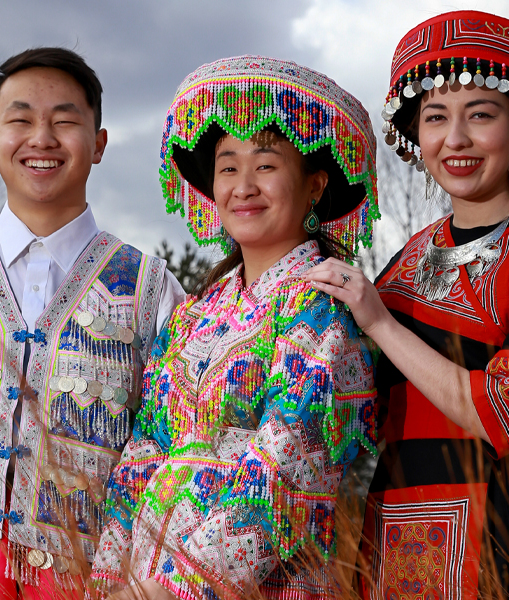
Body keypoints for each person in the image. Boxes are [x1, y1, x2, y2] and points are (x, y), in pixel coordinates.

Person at [304, 11, 509, 599]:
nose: (456, 140)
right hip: (401, 537)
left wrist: (378, 322)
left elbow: (504, 413)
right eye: (436, 117)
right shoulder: (404, 263)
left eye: (480, 114)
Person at [0, 47, 185, 599]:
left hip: (92, 574)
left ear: (98, 144)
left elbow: (169, 443)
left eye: (65, 121)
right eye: (20, 120)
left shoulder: (149, 286)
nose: (41, 138)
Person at [89, 55, 379, 600]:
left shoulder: (322, 312)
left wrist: (166, 591)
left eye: (265, 165)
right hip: (141, 574)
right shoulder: (191, 317)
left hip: (256, 584)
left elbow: (283, 473)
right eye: (228, 167)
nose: (243, 186)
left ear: (314, 185)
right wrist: (110, 582)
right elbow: (144, 453)